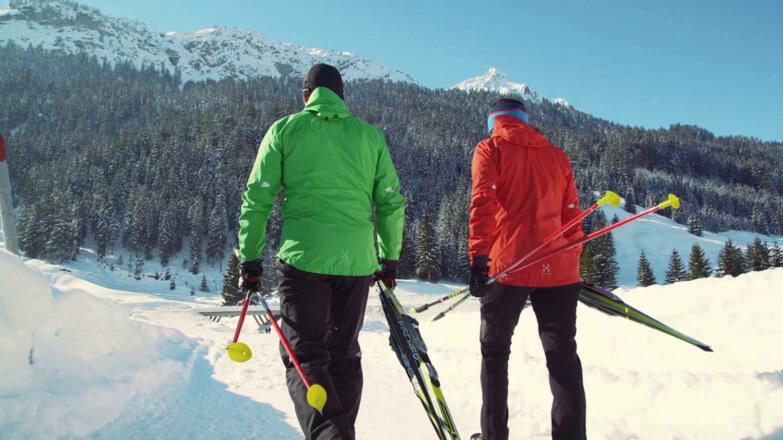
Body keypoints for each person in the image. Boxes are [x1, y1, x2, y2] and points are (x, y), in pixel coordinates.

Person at [237, 63, 405, 440]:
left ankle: (331, 435)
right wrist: (388, 257)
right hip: (357, 264)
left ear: (305, 96)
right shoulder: (370, 137)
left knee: (305, 357)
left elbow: (257, 198)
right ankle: (341, 432)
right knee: (344, 356)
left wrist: (250, 259)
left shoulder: (285, 130)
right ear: (342, 97)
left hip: (303, 260)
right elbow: (391, 203)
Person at [468, 98, 586, 440]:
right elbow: (571, 215)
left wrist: (479, 257)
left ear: (494, 121)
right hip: (560, 269)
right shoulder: (557, 155)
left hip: (509, 266)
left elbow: (483, 202)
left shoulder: (490, 148)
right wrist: (572, 260)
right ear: (525, 120)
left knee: (494, 352)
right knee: (563, 358)